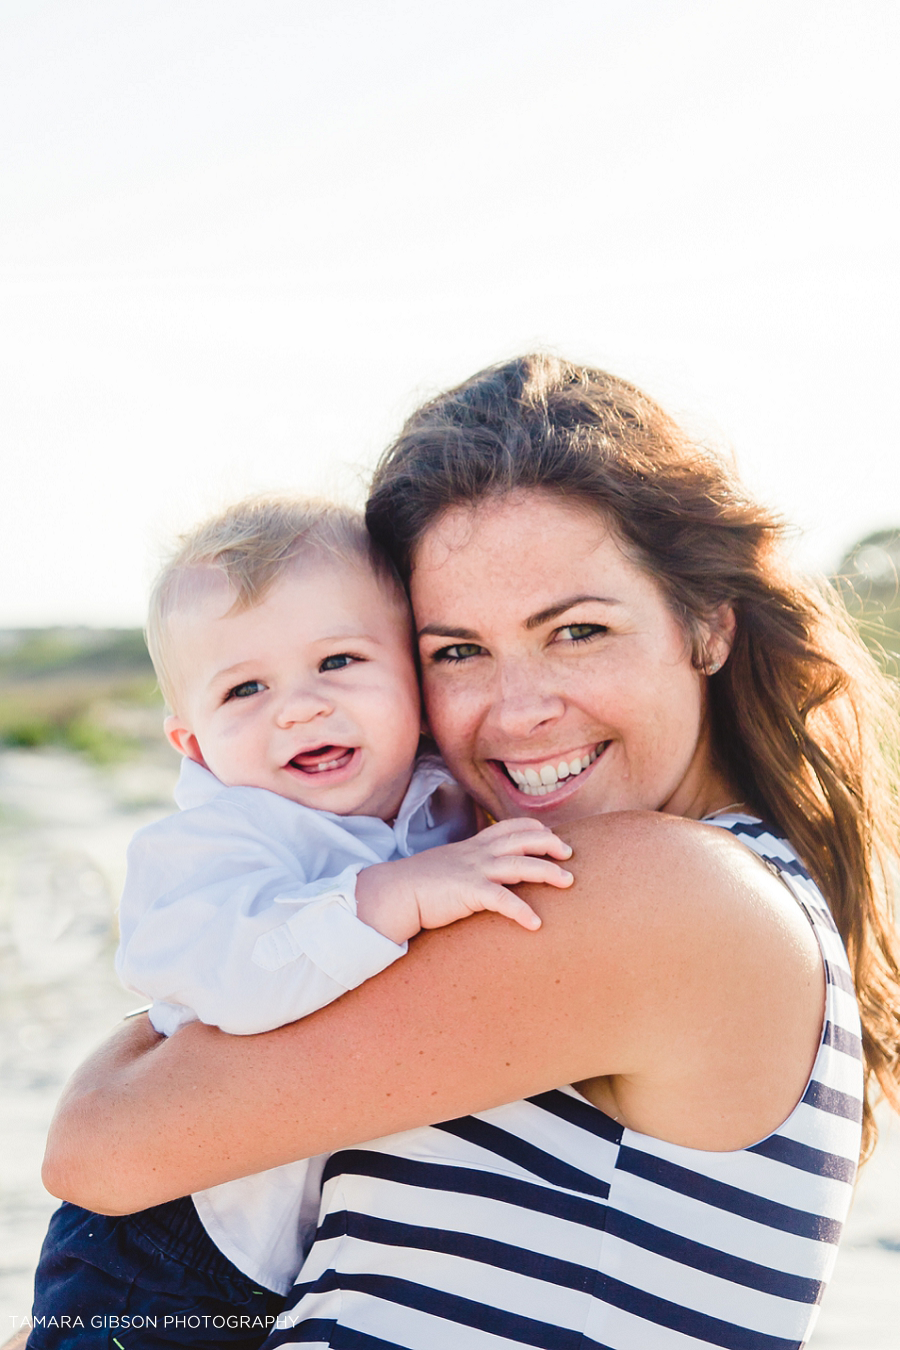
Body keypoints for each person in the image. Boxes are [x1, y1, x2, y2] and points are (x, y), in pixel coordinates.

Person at [41, 356, 900, 1349]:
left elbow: (102, 1142)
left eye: (577, 630)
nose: (521, 710)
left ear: (708, 625)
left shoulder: (667, 893)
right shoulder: (546, 876)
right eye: (457, 651)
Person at [26, 496, 574, 1348]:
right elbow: (240, 982)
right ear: (195, 743)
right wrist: (394, 897)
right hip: (170, 1242)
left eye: (339, 660)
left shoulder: (447, 802)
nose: (298, 707)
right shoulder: (213, 844)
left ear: (415, 681)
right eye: (245, 688)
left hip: (303, 1248)